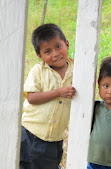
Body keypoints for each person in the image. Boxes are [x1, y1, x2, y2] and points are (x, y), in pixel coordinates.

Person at [20, 23, 76, 169]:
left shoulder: (76, 69)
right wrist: (58, 92)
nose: (55, 54)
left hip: (54, 138)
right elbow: (31, 97)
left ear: (67, 44)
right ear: (40, 56)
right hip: (31, 133)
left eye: (58, 46)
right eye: (48, 51)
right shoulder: (38, 71)